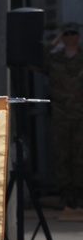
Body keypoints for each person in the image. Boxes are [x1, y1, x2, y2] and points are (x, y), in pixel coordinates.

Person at [43, 22, 83, 220]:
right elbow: (40, 58)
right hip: (60, 114)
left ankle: (80, 196)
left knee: (80, 155)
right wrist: (54, 42)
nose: (70, 37)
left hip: (80, 114)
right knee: (62, 155)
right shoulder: (54, 58)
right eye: (66, 34)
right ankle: (66, 196)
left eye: (73, 33)